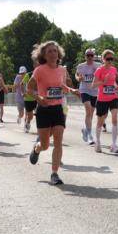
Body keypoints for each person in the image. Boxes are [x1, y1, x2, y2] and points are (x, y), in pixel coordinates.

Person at [28, 41, 78, 185]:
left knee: (58, 141)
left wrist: (72, 90)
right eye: (49, 51)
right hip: (44, 109)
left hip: (58, 108)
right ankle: (37, 149)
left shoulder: (62, 70)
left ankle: (54, 173)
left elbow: (61, 85)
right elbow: (29, 88)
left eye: (55, 51)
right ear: (44, 54)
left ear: (59, 54)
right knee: (45, 145)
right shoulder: (39, 70)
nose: (52, 53)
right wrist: (39, 98)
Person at [91, 49, 118, 154]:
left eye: (111, 59)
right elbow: (93, 85)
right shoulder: (99, 70)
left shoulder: (113, 70)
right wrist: (103, 82)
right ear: (103, 59)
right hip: (102, 99)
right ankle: (98, 142)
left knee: (115, 118)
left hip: (113, 97)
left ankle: (113, 145)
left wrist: (116, 86)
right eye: (108, 59)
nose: (110, 61)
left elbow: (113, 82)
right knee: (100, 122)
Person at [75, 48, 101, 145]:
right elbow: (76, 75)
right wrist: (79, 78)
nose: (90, 57)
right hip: (84, 90)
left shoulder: (98, 65)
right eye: (88, 55)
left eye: (91, 55)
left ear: (93, 56)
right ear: (85, 56)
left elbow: (102, 75)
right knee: (88, 110)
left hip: (94, 91)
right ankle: (90, 135)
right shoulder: (81, 66)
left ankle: (86, 130)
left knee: (91, 114)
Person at [20, 66, 37, 132]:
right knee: (30, 116)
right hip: (28, 99)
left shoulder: (42, 74)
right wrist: (23, 93)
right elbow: (21, 84)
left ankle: (40, 130)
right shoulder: (28, 75)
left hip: (37, 98)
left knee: (40, 114)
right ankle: (27, 123)